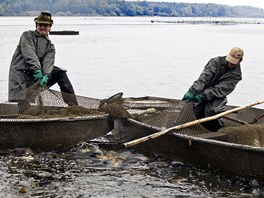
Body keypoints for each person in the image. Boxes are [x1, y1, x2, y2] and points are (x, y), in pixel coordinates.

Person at [8, 11, 78, 111]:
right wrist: (37, 71)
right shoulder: (27, 36)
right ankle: (23, 118)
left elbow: (48, 63)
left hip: (38, 76)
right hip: (22, 74)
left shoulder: (50, 46)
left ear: (50, 28)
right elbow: (29, 55)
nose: (43, 27)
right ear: (36, 25)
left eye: (46, 25)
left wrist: (45, 75)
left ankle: (73, 107)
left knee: (60, 73)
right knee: (23, 102)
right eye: (40, 25)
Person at [182, 47, 244, 131]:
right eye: (229, 60)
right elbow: (204, 78)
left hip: (218, 95)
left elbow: (220, 89)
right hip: (202, 89)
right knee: (194, 108)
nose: (230, 63)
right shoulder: (215, 61)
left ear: (240, 60)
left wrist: (203, 95)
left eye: (233, 62)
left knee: (212, 111)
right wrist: (192, 91)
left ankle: (215, 128)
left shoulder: (236, 75)